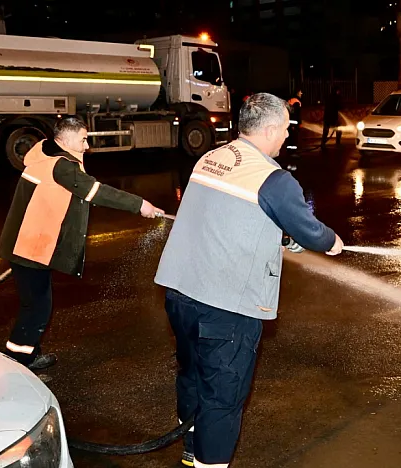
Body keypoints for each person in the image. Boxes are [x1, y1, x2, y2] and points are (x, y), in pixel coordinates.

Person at [154, 93, 344, 468]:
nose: (287, 137)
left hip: (179, 291)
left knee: (192, 373)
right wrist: (330, 241)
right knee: (222, 397)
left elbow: (228, 212)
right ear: (271, 128)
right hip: (225, 306)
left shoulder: (213, 157)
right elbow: (310, 232)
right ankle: (210, 463)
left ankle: (190, 447)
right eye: (286, 129)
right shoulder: (273, 178)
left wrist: (280, 236)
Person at [0, 116, 164, 370]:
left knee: (34, 303)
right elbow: (96, 191)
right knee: (38, 306)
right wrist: (141, 205)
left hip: (26, 241)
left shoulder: (44, 152)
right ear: (65, 138)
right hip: (30, 245)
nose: (87, 146)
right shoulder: (61, 166)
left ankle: (23, 352)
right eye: (83, 139)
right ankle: (20, 358)